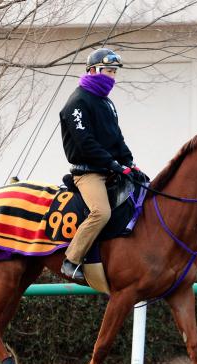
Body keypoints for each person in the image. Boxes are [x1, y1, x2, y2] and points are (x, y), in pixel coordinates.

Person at [59, 48, 140, 281]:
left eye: (114, 72)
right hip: (88, 174)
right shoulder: (76, 103)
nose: (112, 77)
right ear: (92, 71)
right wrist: (114, 164)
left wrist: (129, 163)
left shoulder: (107, 104)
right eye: (108, 71)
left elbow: (117, 138)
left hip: (111, 169)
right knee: (101, 212)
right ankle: (71, 261)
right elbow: (86, 145)